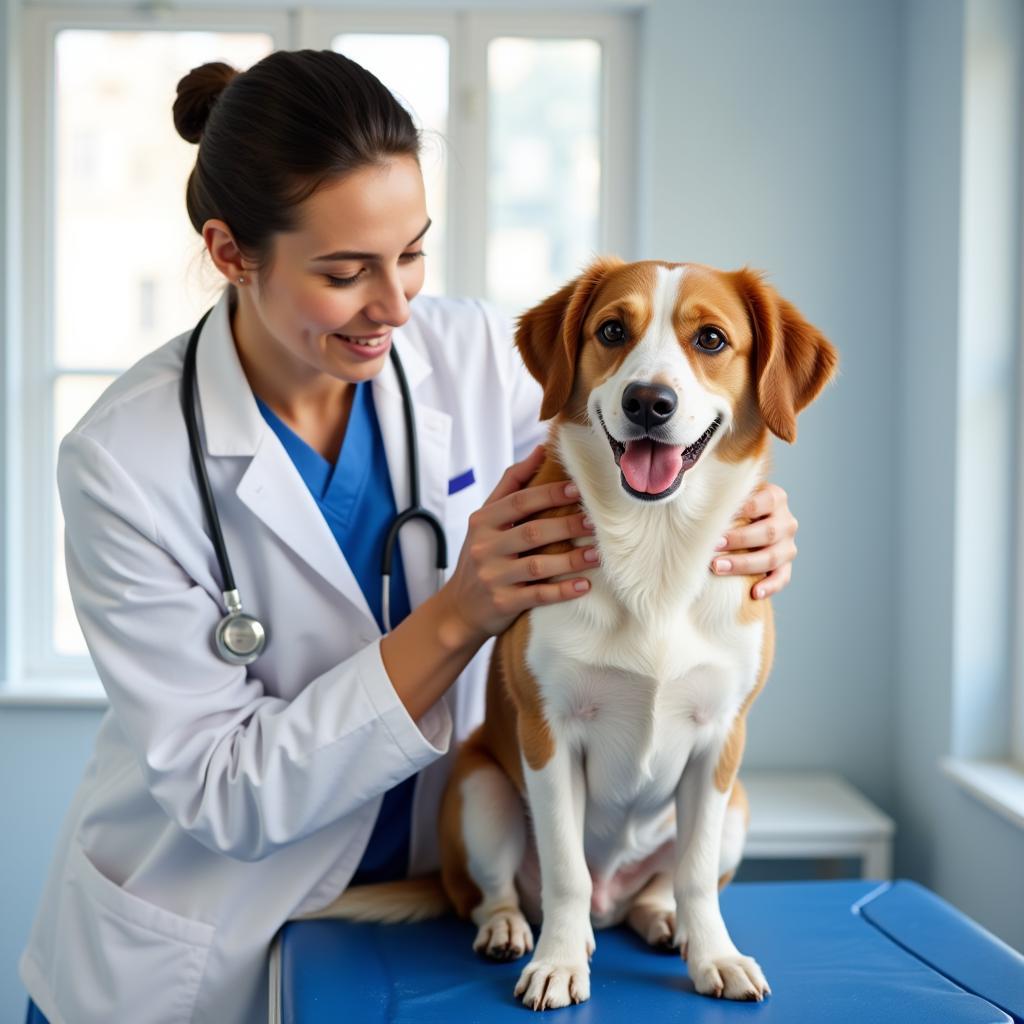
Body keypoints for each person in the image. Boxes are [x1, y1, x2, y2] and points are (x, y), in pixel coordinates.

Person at [19, 49, 800, 1024]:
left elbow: (638, 447)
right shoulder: (123, 460)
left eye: (412, 253)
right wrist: (462, 611)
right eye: (346, 273)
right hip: (196, 943)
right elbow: (227, 792)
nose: (396, 306)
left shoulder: (466, 353)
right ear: (229, 253)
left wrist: (744, 516)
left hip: (440, 909)